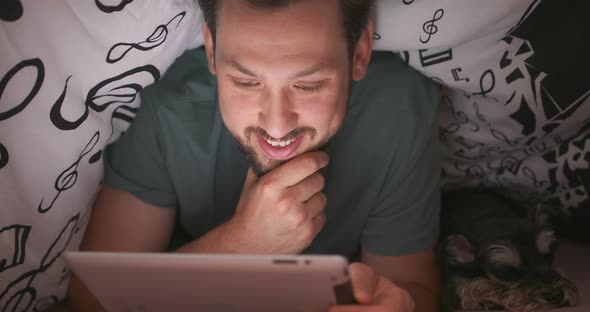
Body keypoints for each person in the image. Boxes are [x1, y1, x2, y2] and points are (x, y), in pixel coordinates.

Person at [68, 0, 441, 311]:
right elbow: (90, 300)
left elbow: (412, 285)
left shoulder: (397, 110)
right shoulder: (167, 108)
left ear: (359, 54)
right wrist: (241, 245)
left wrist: (394, 303)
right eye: (246, 82)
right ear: (212, 51)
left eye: (308, 85)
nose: (277, 127)